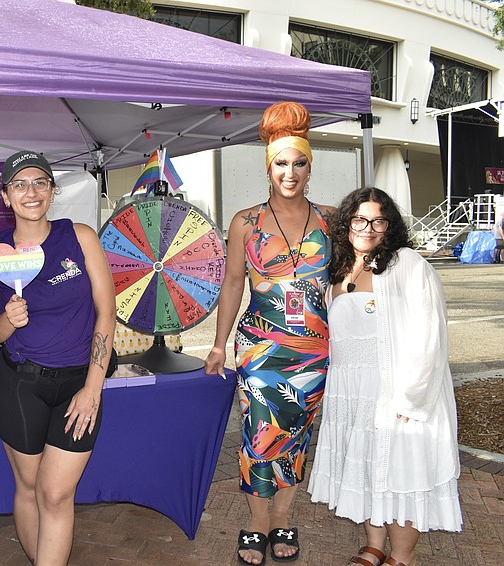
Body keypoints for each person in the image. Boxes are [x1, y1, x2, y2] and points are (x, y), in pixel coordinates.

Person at [204, 101, 334, 565]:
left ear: (310, 166)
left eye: (300, 163)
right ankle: (257, 523)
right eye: (282, 163)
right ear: (268, 167)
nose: (291, 172)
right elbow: (234, 283)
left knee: (297, 437)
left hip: (314, 353)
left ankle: (283, 518)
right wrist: (219, 344)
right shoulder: (246, 222)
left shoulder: (331, 222)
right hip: (260, 348)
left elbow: (348, 285)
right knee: (260, 436)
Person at [308, 187, 462, 566]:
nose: (368, 228)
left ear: (389, 226)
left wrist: (411, 397)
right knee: (365, 465)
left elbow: (431, 333)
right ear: (347, 224)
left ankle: (402, 556)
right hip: (354, 391)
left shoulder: (407, 263)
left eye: (378, 220)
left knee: (401, 469)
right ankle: (375, 545)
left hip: (397, 389)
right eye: (359, 219)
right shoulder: (340, 269)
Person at [0, 151, 116, 566]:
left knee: (56, 493)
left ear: (53, 191)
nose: (31, 191)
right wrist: (8, 320)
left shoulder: (80, 236)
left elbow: (106, 312)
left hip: (79, 383)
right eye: (19, 184)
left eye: (40, 182)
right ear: (5, 196)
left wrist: (93, 388)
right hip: (20, 385)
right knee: (29, 486)